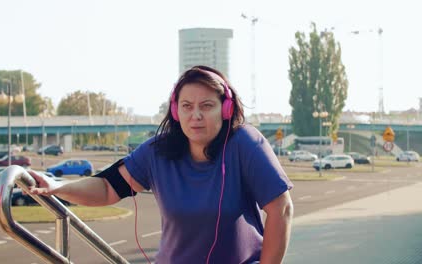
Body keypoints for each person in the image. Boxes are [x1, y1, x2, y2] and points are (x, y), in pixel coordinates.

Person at [27, 65, 294, 264]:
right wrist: (57, 186)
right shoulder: (158, 151)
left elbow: (280, 209)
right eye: (187, 106)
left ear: (225, 110)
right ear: (176, 111)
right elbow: (108, 187)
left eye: (207, 105)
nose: (196, 115)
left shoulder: (244, 143)